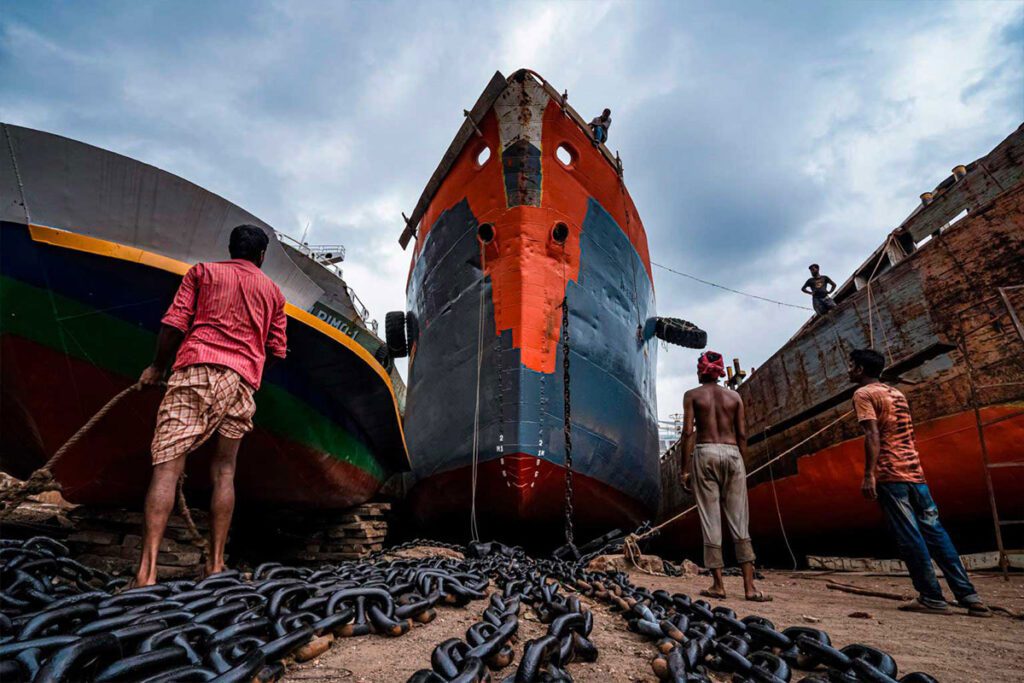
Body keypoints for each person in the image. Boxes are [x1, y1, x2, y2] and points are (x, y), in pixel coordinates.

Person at [133, 225, 288, 587]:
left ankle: (146, 574)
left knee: (167, 468)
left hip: (195, 370)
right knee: (225, 471)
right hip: (241, 382)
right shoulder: (274, 294)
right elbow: (277, 351)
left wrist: (157, 367)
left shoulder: (203, 272)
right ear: (262, 256)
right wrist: (248, 370)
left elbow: (174, 325)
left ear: (231, 249)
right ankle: (215, 565)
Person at [849, 348, 990, 616]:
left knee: (909, 536)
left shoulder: (863, 394)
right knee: (936, 533)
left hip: (892, 475)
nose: (848, 370)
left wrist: (869, 474)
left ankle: (931, 597)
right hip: (916, 473)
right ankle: (969, 596)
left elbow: (872, 435)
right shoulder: (897, 393)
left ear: (859, 369)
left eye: (850, 365)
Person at [680, 350, 770, 601]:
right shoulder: (734, 397)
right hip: (733, 454)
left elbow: (687, 433)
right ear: (719, 372)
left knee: (710, 520)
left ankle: (718, 585)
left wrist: (684, 469)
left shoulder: (692, 395)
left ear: (701, 371)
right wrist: (742, 464)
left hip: (705, 451)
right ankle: (750, 588)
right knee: (740, 520)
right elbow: (742, 434)